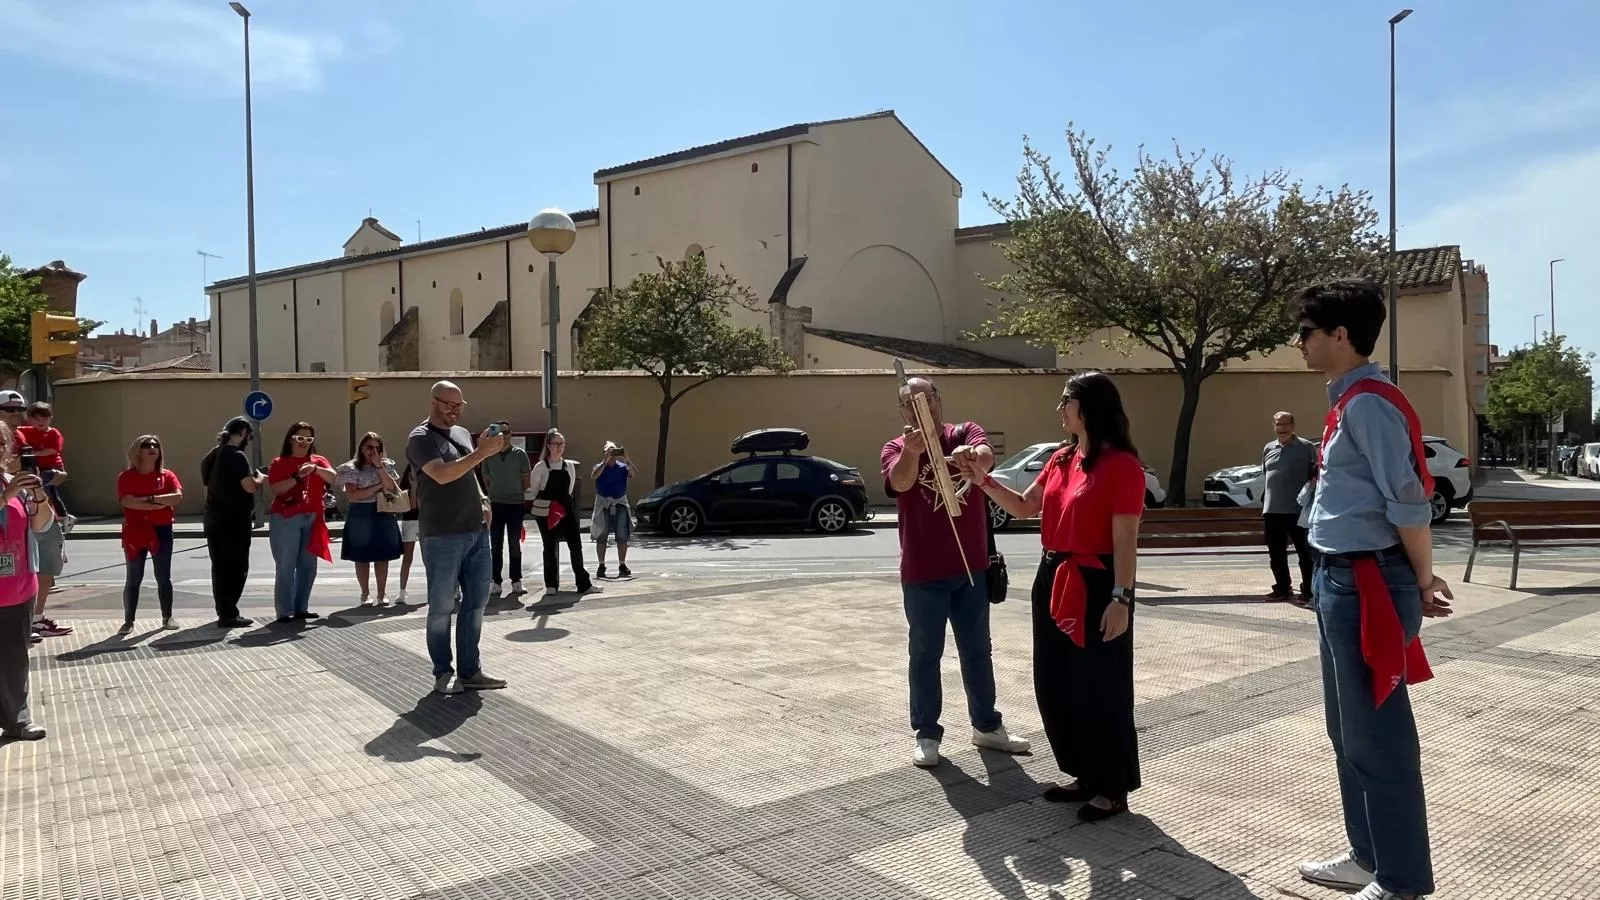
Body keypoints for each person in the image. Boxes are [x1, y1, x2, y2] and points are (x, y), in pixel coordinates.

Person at [1290, 278, 1453, 900]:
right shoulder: (1348, 400)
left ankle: (1402, 880)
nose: (1298, 343)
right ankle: (1367, 855)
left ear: (1340, 335)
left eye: (1306, 332)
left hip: (1368, 580)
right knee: (1347, 728)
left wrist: (1421, 578)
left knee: (1378, 736)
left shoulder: (1369, 403)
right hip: (1340, 576)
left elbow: (1410, 498)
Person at [974, 372, 1145, 820]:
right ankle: (1083, 772)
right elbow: (1027, 507)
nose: (1059, 410)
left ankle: (1112, 784)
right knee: (1055, 683)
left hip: (1096, 581)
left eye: (1065, 402)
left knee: (1100, 686)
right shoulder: (1060, 458)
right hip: (1053, 575)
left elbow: (1126, 540)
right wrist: (983, 480)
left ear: (1086, 408)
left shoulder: (1122, 465)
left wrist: (1121, 598)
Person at [881, 375, 1029, 768]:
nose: (920, 408)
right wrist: (913, 453)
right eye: (910, 404)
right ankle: (927, 733)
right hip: (922, 572)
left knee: (977, 650)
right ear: (903, 412)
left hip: (970, 569)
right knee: (925, 654)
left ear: (938, 400)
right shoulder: (896, 447)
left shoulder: (963, 431)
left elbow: (984, 457)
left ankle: (986, 725)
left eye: (925, 399)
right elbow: (900, 481)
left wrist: (969, 454)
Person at [406, 380, 508, 694]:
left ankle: (470, 670)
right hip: (441, 533)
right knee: (441, 606)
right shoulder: (420, 438)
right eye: (450, 404)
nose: (455, 410)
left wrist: (484, 499)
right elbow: (442, 474)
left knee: (476, 604)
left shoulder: (463, 434)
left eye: (460, 405)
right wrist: (482, 453)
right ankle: (442, 673)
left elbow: (470, 476)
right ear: (433, 402)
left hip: (475, 530)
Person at [0, 418, 55, 740]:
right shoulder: (9, 487)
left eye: (1, 444)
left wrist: (39, 497)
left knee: (15, 659)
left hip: (16, 588)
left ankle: (18, 720)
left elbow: (41, 526)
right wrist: (8, 493)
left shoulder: (13, 482)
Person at [266, 421, 336, 623]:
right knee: (286, 565)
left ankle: (301, 608)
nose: (304, 442)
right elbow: (277, 489)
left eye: (309, 439)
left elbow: (333, 478)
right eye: (300, 438)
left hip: (312, 517)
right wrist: (298, 476)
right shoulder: (280, 462)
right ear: (291, 439)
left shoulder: (318, 460)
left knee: (308, 565)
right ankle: (284, 611)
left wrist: (315, 470)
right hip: (286, 517)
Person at [200, 417, 263, 628]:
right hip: (234, 522)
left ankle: (223, 612)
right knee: (236, 568)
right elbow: (249, 486)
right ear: (243, 432)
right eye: (249, 435)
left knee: (219, 568)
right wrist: (260, 478)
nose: (249, 439)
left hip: (214, 520)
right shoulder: (237, 456)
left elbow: (209, 486)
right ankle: (229, 613)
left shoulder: (212, 455)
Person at [116, 435, 183, 632]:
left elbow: (177, 497)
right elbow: (127, 502)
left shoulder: (167, 475)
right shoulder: (126, 477)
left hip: (162, 530)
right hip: (135, 531)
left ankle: (167, 617)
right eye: (147, 445)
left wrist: (148, 500)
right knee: (134, 577)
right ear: (138, 451)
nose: (152, 448)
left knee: (163, 576)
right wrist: (159, 502)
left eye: (156, 445)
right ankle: (128, 621)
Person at [335, 432, 404, 606]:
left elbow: (392, 488)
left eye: (376, 447)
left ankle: (382, 594)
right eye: (369, 447)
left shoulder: (386, 466)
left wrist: (379, 467)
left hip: (383, 511)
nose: (372, 451)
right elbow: (353, 495)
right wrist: (377, 487)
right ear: (361, 448)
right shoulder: (350, 468)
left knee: (383, 556)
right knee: (362, 556)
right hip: (361, 513)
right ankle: (365, 593)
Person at [1262, 411, 1317, 603]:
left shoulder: (1306, 447)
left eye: (1285, 424)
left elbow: (1314, 475)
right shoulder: (1268, 448)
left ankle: (1308, 590)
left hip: (1298, 511)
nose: (1281, 429)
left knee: (1305, 554)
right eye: (1278, 424)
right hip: (1272, 510)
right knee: (1276, 554)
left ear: (1292, 426)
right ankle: (1283, 588)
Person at [530, 429, 591, 594]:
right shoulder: (540, 467)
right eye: (555, 444)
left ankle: (583, 584)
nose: (558, 447)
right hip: (546, 513)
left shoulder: (569, 466)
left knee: (575, 546)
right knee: (549, 547)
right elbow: (534, 491)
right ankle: (551, 585)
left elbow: (569, 489)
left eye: (561, 444)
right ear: (548, 446)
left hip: (566, 511)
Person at [479, 421, 531, 594]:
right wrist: (496, 493)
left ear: (511, 434)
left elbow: (526, 481)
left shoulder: (520, 454)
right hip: (496, 505)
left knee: (514, 544)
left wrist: (516, 493)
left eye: (507, 432)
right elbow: (486, 481)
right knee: (496, 545)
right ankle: (496, 581)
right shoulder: (488, 456)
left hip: (515, 504)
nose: (504, 435)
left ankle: (516, 580)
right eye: (500, 432)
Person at [17, 401, 73, 529]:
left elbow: (53, 450)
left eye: (45, 418)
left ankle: (63, 515)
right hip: (37, 468)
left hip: (52, 467)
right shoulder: (25, 431)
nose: (41, 422)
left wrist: (34, 453)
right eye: (36, 419)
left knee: (45, 488)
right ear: (29, 419)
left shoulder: (53, 433)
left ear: (51, 419)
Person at [591, 441, 633, 579]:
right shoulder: (600, 466)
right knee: (601, 535)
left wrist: (626, 457)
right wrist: (605, 462)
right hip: (603, 503)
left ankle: (622, 564)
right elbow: (594, 475)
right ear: (604, 453)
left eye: (614, 451)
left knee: (622, 535)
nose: (612, 454)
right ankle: (601, 565)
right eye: (609, 451)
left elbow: (633, 473)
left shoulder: (622, 467)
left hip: (619, 502)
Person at [394, 465, 419, 605]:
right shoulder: (408, 482)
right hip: (410, 519)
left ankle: (433, 590)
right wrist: (414, 488)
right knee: (407, 558)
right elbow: (413, 505)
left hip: (427, 520)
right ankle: (402, 591)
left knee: (430, 558)